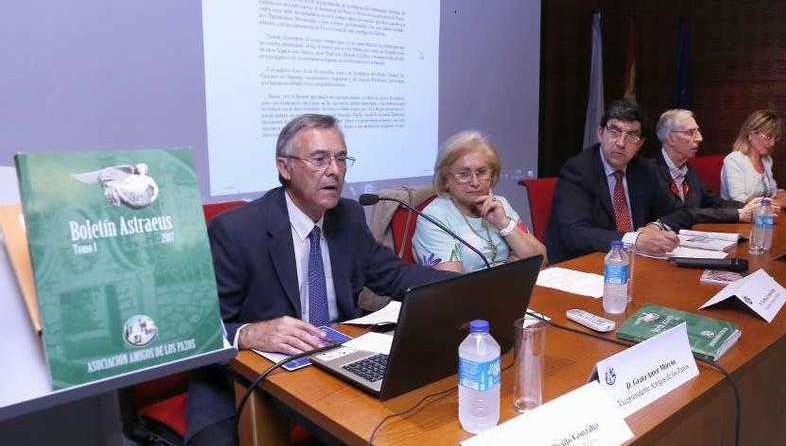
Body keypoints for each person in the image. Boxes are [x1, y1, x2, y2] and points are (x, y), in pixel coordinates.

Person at [185, 114, 451, 446]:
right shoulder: (238, 231)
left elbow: (395, 275)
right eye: (320, 159)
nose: (335, 171)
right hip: (247, 378)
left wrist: (463, 288)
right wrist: (251, 332)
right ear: (285, 168)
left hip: (334, 365)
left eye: (341, 159)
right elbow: (197, 329)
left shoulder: (348, 217)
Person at [545, 99, 694, 263]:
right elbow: (575, 233)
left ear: (640, 143)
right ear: (601, 133)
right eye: (615, 132)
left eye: (631, 135)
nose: (621, 143)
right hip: (584, 264)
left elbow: (681, 212)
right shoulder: (577, 170)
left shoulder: (645, 170)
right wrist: (634, 240)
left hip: (636, 262)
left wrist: (655, 227)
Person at [412, 130, 546, 273]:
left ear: (492, 175)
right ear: (446, 180)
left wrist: (503, 224)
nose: (475, 182)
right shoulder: (434, 217)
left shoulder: (500, 204)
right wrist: (510, 269)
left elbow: (542, 260)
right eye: (464, 174)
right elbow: (452, 286)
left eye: (482, 172)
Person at [654, 108, 762, 223]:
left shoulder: (688, 170)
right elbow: (681, 213)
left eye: (698, 131)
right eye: (690, 132)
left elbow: (715, 202)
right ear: (671, 138)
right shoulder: (651, 171)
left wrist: (749, 207)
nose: (700, 138)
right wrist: (737, 214)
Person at [720, 109, 786, 208]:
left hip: (761, 216)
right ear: (750, 134)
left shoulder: (767, 160)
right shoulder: (734, 160)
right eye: (768, 137)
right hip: (736, 220)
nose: (772, 144)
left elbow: (772, 193)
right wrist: (779, 203)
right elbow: (739, 199)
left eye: (775, 138)